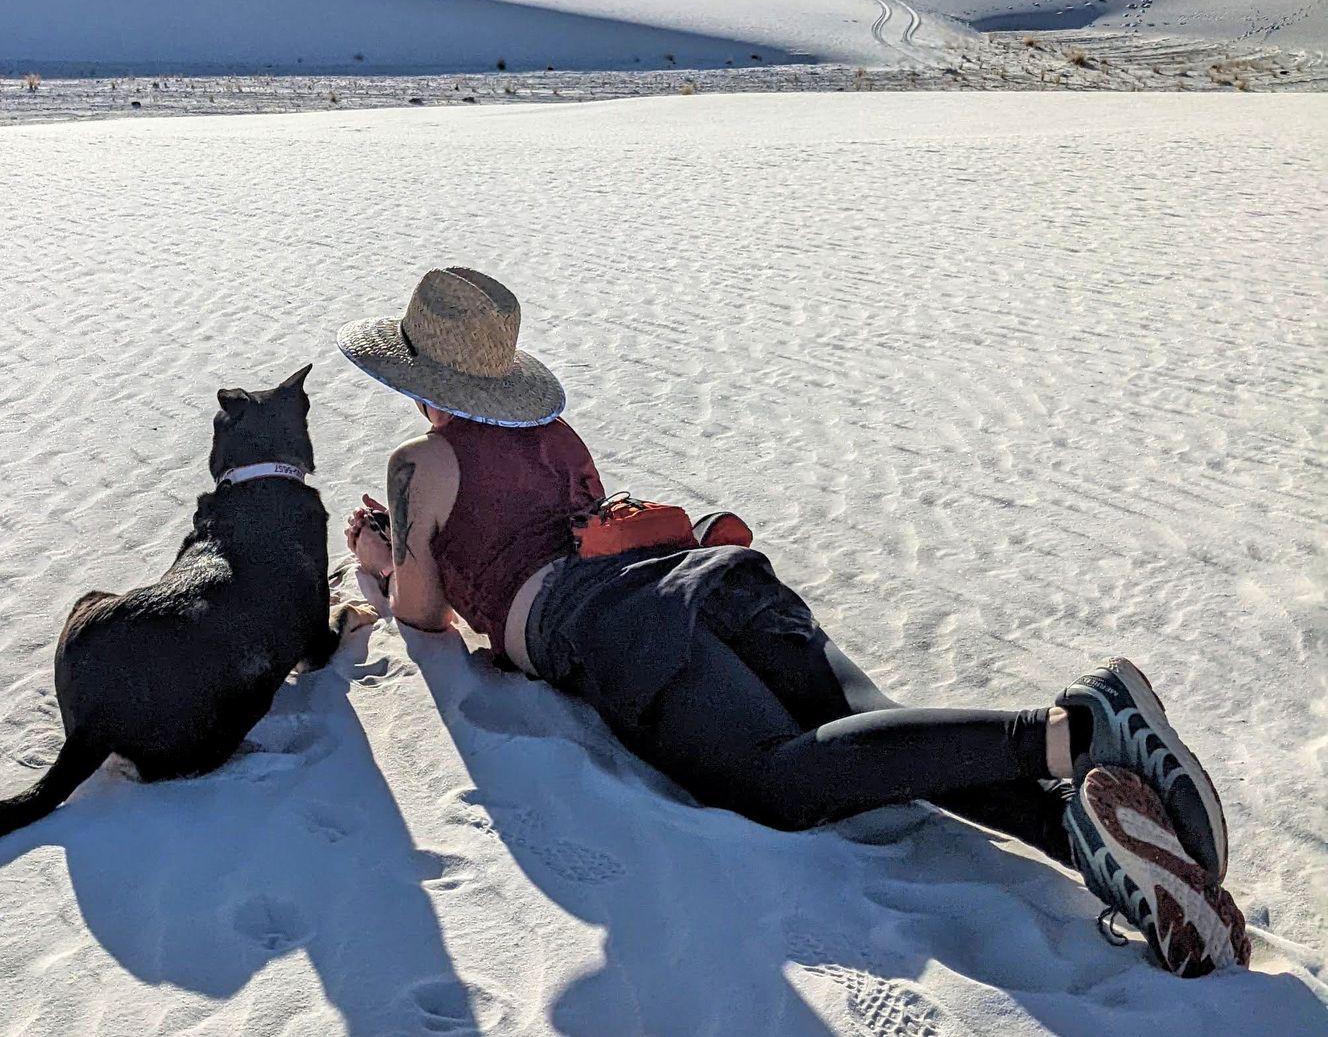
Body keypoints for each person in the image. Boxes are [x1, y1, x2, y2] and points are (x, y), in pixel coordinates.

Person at [337, 267, 1249, 978]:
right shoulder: (559, 436)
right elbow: (547, 522)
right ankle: (1099, 839)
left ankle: (1076, 728)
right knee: (868, 728)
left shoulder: (422, 460)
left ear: (422, 372)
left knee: (778, 780)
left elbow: (426, 618)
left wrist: (383, 565)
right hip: (705, 572)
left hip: (619, 626)